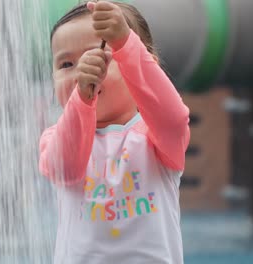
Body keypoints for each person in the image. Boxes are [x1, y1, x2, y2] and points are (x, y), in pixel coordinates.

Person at [39, 1, 190, 263]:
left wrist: (126, 45)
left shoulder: (155, 137)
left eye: (97, 56)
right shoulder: (55, 137)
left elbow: (175, 120)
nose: (80, 72)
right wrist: (82, 101)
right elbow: (65, 166)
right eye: (65, 64)